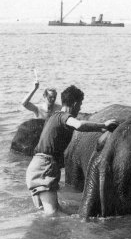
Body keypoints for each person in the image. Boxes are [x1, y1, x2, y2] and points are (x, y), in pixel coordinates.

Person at [25, 85, 119, 215]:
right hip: (45, 167)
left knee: (46, 213)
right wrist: (103, 125)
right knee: (53, 215)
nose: (79, 108)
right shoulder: (63, 117)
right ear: (74, 104)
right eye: (80, 105)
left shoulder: (53, 116)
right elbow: (79, 125)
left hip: (34, 167)